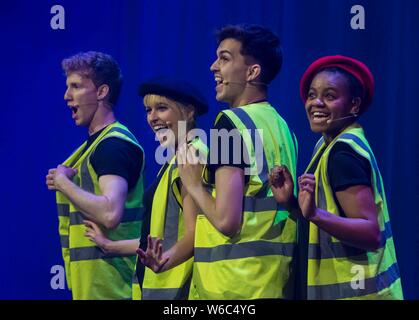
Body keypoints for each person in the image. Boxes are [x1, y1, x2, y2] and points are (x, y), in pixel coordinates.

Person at [178, 24, 298, 299]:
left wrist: (195, 185)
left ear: (252, 72)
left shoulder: (228, 124)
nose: (213, 67)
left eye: (225, 58)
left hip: (231, 288)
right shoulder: (283, 127)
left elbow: (226, 221)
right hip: (272, 281)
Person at [270, 55, 403, 300]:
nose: (316, 103)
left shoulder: (343, 154)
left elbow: (370, 233)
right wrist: (292, 203)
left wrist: (314, 214)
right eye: (311, 95)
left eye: (329, 96)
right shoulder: (326, 145)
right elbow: (330, 217)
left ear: (354, 105)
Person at [85, 77, 208, 300]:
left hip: (179, 291)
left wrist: (164, 261)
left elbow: (196, 233)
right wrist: (109, 245)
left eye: (162, 108)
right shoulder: (174, 161)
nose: (152, 117)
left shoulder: (192, 156)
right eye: (148, 110)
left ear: (189, 112)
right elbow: (160, 238)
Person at [45, 51, 144, 300]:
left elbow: (110, 214)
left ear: (101, 92)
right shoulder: (93, 147)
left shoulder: (113, 145)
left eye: (76, 86)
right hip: (96, 287)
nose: (67, 96)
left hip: (113, 288)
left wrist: (63, 183)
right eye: (68, 87)